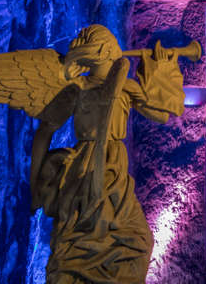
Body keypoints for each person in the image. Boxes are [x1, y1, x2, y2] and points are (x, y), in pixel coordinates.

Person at [30, 24, 185, 283]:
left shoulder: (119, 87)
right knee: (116, 239)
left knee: (128, 240)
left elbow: (161, 112)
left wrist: (157, 67)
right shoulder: (79, 89)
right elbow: (45, 131)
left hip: (110, 170)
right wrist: (36, 186)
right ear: (105, 51)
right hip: (88, 169)